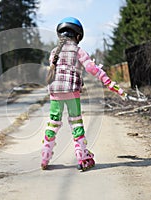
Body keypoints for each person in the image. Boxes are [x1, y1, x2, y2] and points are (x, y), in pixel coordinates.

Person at [41, 17, 126, 171]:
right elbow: (92, 69)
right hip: (72, 92)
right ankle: (82, 157)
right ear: (78, 36)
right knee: (76, 123)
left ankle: (45, 156)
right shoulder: (78, 51)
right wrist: (109, 83)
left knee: (53, 122)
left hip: (55, 92)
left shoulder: (54, 52)